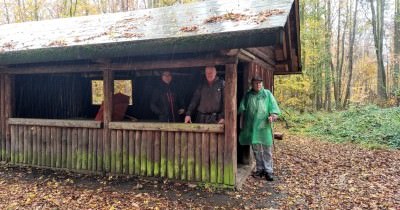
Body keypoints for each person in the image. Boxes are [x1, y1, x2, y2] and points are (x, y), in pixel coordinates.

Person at [238, 76, 281, 181]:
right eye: (256, 83)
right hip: (252, 126)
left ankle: (269, 171)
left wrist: (273, 116)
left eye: (260, 83)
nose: (258, 85)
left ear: (262, 84)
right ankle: (260, 169)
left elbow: (274, 107)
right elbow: (241, 108)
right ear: (252, 84)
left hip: (264, 126)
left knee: (267, 149)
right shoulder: (248, 95)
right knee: (256, 149)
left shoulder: (267, 94)